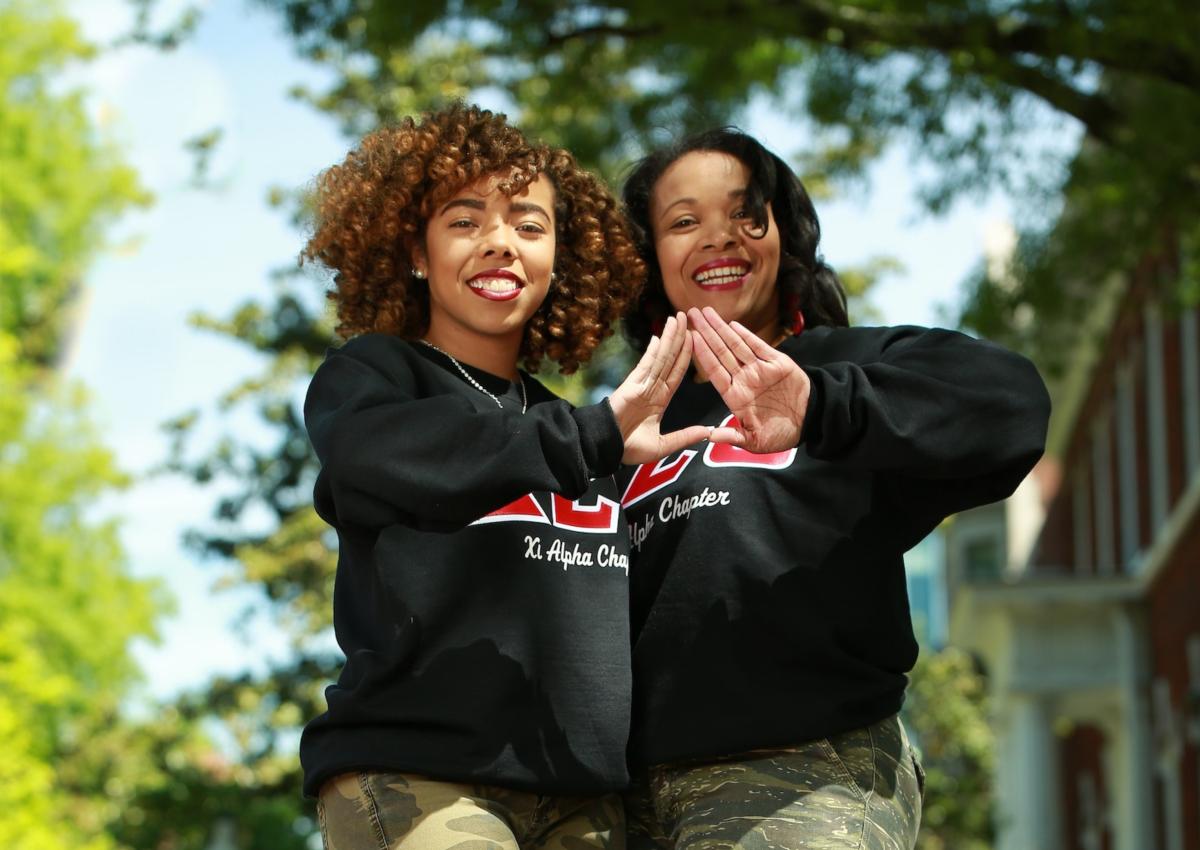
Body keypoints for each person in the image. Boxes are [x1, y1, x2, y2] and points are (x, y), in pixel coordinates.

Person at [616, 127, 1051, 850]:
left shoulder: (842, 368)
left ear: (784, 237)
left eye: (746, 214)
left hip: (803, 775)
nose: (719, 239)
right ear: (651, 257)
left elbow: (1011, 404)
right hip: (622, 801)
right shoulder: (624, 419)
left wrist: (822, 405)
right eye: (684, 221)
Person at [298, 102, 710, 850]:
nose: (500, 245)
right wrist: (594, 434)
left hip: (583, 798)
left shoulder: (587, 438)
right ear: (417, 254)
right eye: (464, 222)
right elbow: (394, 454)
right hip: (417, 775)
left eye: (528, 225)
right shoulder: (374, 380)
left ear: (560, 260)